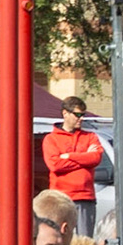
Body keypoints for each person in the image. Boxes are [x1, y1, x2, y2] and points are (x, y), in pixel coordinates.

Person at [42, 96, 103, 236]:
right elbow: (55, 165)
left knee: (84, 240)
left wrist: (70, 156)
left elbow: (95, 158)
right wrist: (84, 158)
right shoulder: (51, 139)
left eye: (83, 115)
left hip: (85, 197)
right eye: (77, 115)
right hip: (60, 198)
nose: (81, 119)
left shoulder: (90, 137)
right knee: (59, 238)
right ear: (65, 113)